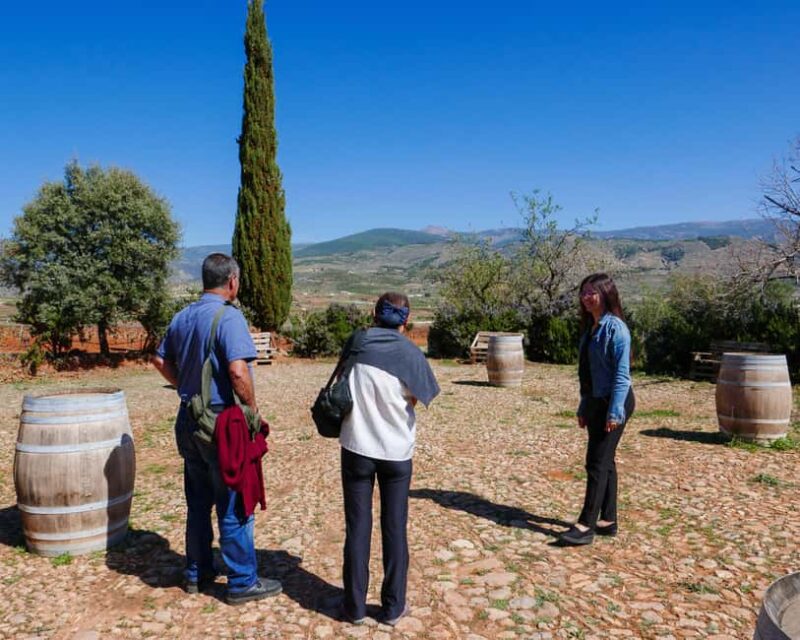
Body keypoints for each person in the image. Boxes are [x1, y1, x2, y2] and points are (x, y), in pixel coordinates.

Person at [152, 253, 282, 604]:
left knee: (197, 501)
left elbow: (159, 359)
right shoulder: (229, 317)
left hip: (188, 421)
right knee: (235, 503)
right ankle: (242, 581)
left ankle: (197, 573)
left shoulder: (182, 316)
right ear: (232, 282)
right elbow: (238, 371)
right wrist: (252, 413)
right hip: (222, 424)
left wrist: (185, 388)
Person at [338, 292, 440, 626]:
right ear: (406, 320)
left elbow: (342, 385)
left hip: (356, 446)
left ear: (374, 314)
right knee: (395, 527)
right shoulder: (411, 353)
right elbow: (417, 398)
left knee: (357, 527)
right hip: (397, 452)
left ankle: (353, 608)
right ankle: (393, 608)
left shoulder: (357, 343)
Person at [559, 273, 635, 546]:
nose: (586, 297)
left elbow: (621, 376)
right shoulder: (591, 328)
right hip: (595, 400)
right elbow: (587, 374)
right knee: (606, 460)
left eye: (592, 292)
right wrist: (583, 405)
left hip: (615, 400)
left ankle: (585, 525)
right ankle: (608, 519)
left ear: (606, 294)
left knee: (596, 462)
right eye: (583, 293)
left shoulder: (616, 329)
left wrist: (615, 412)